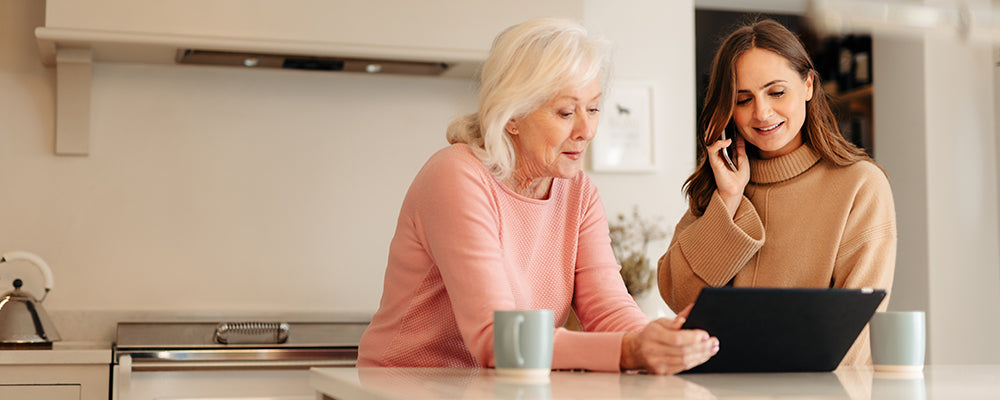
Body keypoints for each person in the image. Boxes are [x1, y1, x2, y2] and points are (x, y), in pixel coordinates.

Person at [358, 17, 719, 374]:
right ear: (511, 115)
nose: (586, 129)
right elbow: (495, 338)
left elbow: (606, 308)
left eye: (593, 109)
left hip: (493, 387)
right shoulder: (457, 176)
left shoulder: (579, 192)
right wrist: (628, 351)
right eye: (565, 112)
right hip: (401, 385)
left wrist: (659, 338)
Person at [657, 19, 896, 366]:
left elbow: (854, 335)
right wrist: (728, 200)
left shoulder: (860, 185)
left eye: (776, 92)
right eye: (743, 99)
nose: (762, 113)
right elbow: (679, 297)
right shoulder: (722, 185)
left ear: (809, 85)